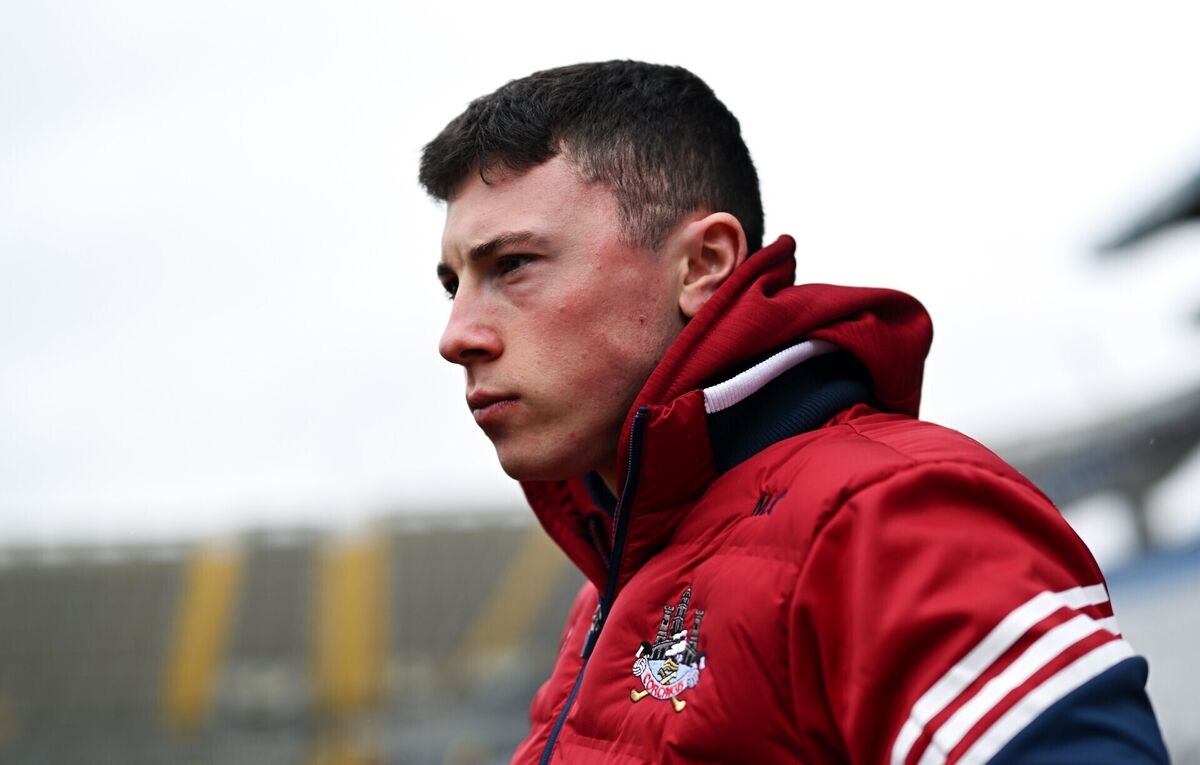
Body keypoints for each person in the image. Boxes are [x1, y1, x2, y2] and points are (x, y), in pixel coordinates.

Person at [419, 61, 1169, 764]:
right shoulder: (607, 590)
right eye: (454, 284)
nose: (457, 336)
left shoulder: (891, 513)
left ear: (704, 264)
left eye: (512, 265)